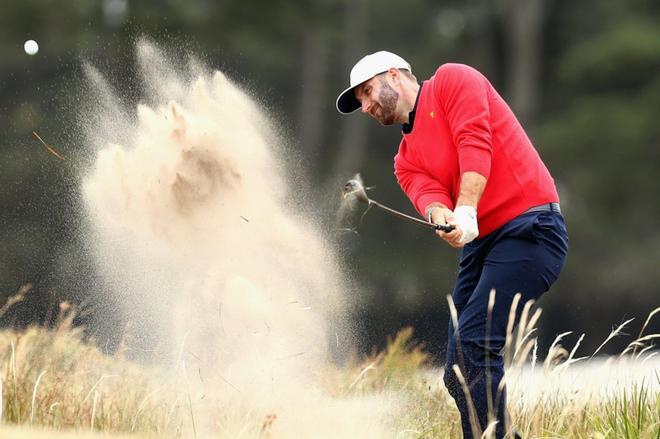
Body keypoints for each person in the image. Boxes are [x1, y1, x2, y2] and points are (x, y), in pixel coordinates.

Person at [335, 51, 568, 438]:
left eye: (367, 92)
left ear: (394, 75)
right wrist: (445, 220)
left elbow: (474, 141)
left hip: (531, 229)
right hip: (482, 247)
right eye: (360, 100)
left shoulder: (452, 80)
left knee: (474, 346)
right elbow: (431, 200)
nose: (365, 106)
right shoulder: (404, 160)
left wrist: (467, 209)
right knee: (457, 370)